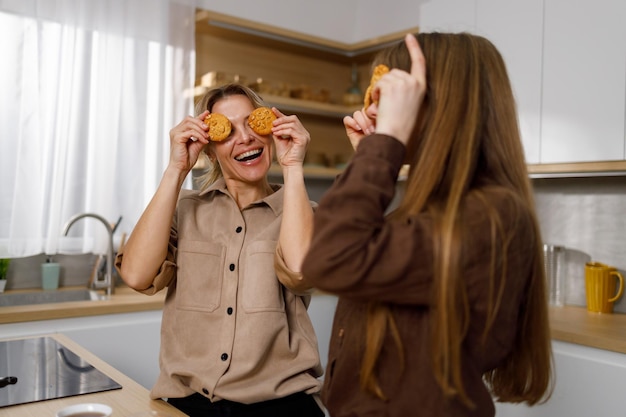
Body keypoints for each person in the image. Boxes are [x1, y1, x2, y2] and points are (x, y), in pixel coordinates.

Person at [301, 32, 554, 416]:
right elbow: (345, 251)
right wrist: (370, 158)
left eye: (394, 89)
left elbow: (330, 259)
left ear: (442, 103)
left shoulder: (492, 215)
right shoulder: (430, 212)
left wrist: (383, 146)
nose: (374, 105)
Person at [115, 83, 324, 417]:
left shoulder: (301, 212)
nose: (244, 138)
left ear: (269, 130)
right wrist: (176, 169)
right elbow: (137, 276)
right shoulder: (185, 209)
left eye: (252, 124)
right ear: (210, 149)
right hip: (191, 406)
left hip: (283, 407)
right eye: (227, 131)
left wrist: (293, 165)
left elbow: (301, 272)